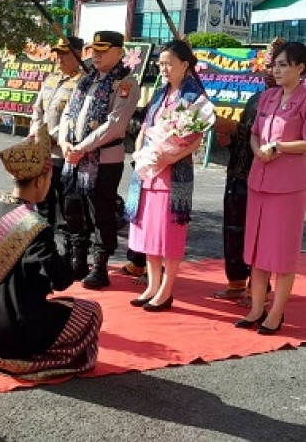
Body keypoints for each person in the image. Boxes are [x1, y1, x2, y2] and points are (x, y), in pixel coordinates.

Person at [0, 124, 102, 379]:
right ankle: (41, 359)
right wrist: (70, 253)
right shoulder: (33, 226)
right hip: (17, 334)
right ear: (41, 179)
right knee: (90, 310)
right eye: (49, 179)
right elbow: (61, 281)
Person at [125, 40, 210, 311]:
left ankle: (166, 289)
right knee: (149, 232)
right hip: (149, 170)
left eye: (168, 63)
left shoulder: (194, 97)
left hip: (173, 173)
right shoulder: (161, 93)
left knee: (169, 233)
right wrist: (139, 153)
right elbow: (145, 127)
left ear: (185, 65)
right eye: (160, 63)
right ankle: (152, 284)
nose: (163, 68)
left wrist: (170, 157)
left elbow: (195, 138)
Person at [59, 31, 141, 289]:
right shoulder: (86, 81)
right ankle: (77, 261)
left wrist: (81, 147)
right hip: (74, 157)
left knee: (100, 212)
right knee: (73, 208)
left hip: (103, 160)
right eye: (94, 50)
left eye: (103, 51)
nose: (96, 55)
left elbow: (115, 126)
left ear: (119, 52)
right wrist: (64, 142)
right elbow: (67, 115)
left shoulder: (125, 83)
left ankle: (100, 266)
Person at [236, 41, 306, 335]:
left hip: (288, 186)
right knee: (256, 248)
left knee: (281, 251)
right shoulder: (267, 97)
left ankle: (276, 313)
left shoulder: (305, 99)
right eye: (275, 64)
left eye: (284, 65)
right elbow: (254, 133)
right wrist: (258, 148)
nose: (276, 70)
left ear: (300, 68)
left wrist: (278, 146)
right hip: (259, 180)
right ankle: (256, 309)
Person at [212, 37, 283, 304]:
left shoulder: (289, 100)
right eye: (266, 65)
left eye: (276, 65)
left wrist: (234, 128)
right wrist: (229, 138)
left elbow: (271, 139)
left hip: (264, 178)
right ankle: (236, 282)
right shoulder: (256, 97)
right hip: (238, 172)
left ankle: (259, 289)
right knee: (233, 229)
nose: (269, 71)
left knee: (258, 235)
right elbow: (246, 137)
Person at [29, 35, 84, 251]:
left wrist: (54, 135)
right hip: (43, 151)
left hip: (64, 153)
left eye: (65, 54)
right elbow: (37, 110)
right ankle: (45, 248)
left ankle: (72, 251)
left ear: (78, 55)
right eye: (58, 54)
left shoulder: (82, 82)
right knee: (43, 203)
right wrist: (37, 133)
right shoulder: (51, 79)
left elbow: (75, 116)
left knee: (68, 205)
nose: (59, 58)